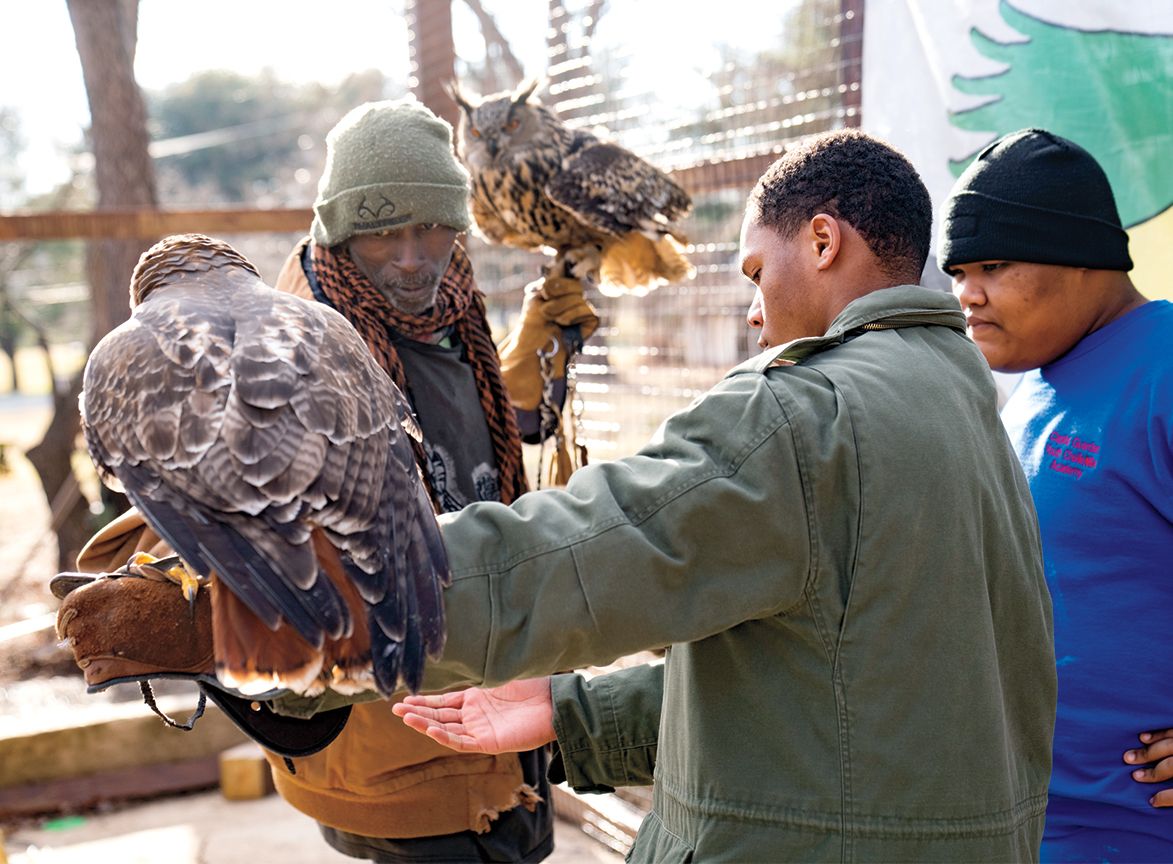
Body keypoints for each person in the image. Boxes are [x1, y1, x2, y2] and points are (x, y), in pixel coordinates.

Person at [287, 129, 1057, 861]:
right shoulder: (959, 399)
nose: (754, 315)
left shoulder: (804, 414)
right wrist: (573, 715)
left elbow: (584, 552)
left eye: (757, 273)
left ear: (823, 243)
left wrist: (299, 609)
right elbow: (844, 684)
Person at [66, 99, 567, 864]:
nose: (410, 256)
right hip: (392, 732)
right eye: (383, 234)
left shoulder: (449, 310)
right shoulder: (307, 326)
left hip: (493, 673)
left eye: (431, 229)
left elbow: (461, 449)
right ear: (336, 233)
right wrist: (192, 588)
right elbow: (224, 491)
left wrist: (531, 358)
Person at [937, 127, 1173, 864]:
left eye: (994, 265)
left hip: (1135, 832)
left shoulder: (1162, 371)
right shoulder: (1031, 389)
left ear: (1081, 256)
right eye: (957, 270)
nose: (966, 295)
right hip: (1025, 825)